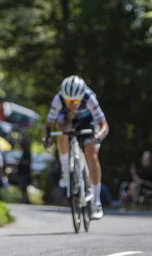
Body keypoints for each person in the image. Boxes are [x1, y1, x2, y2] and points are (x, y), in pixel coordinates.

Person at [42, 75, 109, 220]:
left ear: (81, 97)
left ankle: (97, 202)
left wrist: (97, 137)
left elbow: (104, 126)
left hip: (89, 122)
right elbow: (48, 125)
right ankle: (66, 172)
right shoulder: (59, 99)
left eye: (76, 101)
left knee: (91, 154)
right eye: (69, 101)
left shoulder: (89, 98)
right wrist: (47, 137)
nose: (72, 103)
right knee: (62, 133)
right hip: (68, 120)